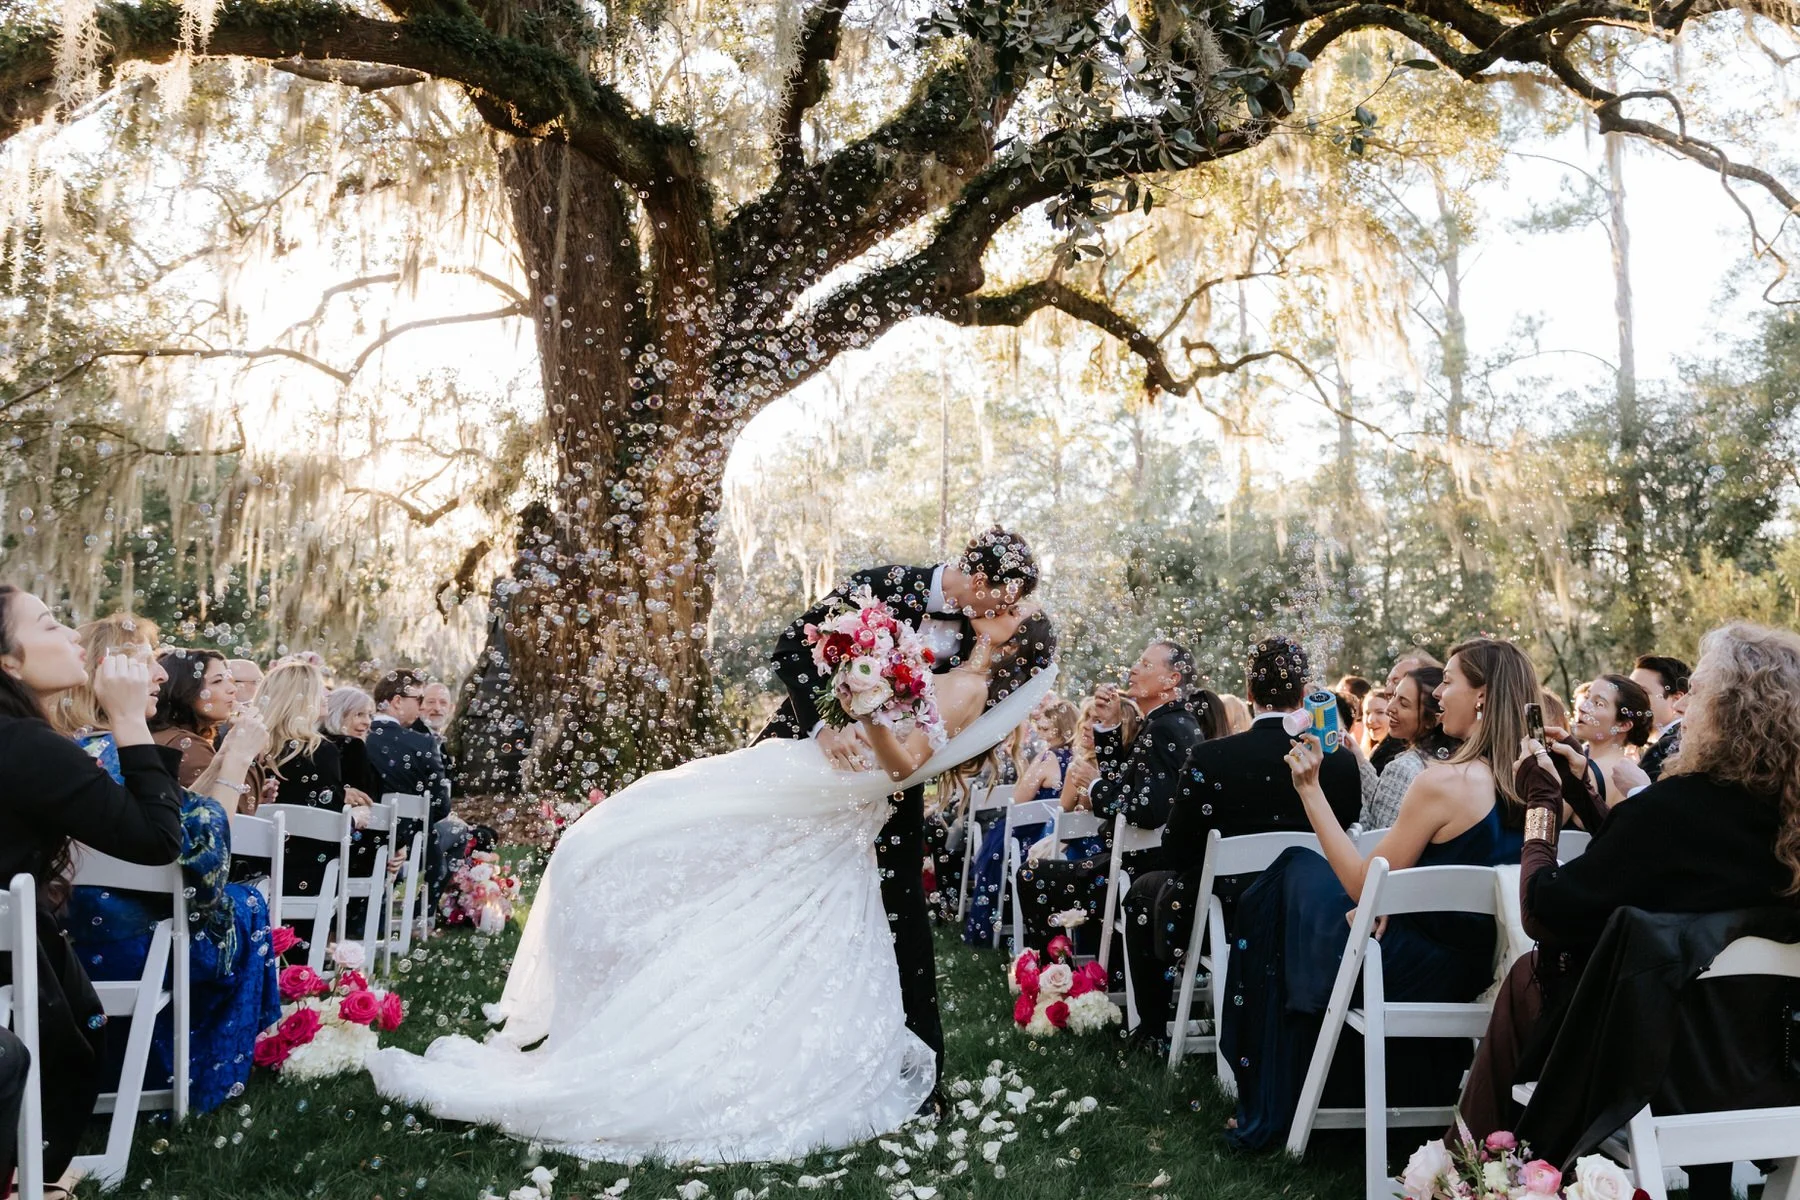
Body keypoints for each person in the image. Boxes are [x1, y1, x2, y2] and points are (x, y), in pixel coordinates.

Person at [366, 607, 1061, 1162]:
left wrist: (873, 706)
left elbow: (907, 764)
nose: (993, 609)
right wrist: (853, 695)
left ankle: (712, 1045)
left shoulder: (968, 686)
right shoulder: (951, 666)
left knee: (681, 843)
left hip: (830, 796)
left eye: (1007, 614)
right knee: (703, 861)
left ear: (1010, 640)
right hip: (820, 782)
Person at [1459, 624, 1800, 1198]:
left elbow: (1545, 913)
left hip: (1650, 1068)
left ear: (1723, 712)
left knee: (1529, 974)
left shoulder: (1676, 809)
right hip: (1769, 1068)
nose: (1686, 708)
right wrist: (1591, 803)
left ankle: (1476, 1170)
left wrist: (1542, 807)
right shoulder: (1786, 824)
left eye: (1699, 695)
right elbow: (1649, 875)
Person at [1219, 637, 1534, 1152]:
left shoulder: (1445, 783)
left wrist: (1310, 790)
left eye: (1449, 682)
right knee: (1307, 889)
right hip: (1479, 964)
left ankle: (1277, 1094)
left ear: (1481, 696)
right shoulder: (1537, 780)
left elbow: (1364, 887)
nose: (1439, 696)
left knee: (1290, 875)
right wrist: (1395, 906)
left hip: (1412, 968)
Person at [754, 527, 1040, 1089]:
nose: (1009, 612)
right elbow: (791, 648)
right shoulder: (881, 587)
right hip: (811, 764)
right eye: (1005, 600)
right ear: (979, 582)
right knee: (786, 891)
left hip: (891, 783)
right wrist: (821, 728)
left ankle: (922, 1069)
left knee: (904, 905)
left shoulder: (973, 635)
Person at [57, 614, 280, 1114]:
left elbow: (175, 822)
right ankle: (204, 1073)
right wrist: (239, 758)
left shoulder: (73, 749)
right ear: (108, 674)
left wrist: (221, 763)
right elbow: (204, 860)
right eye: (147, 664)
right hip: (131, 946)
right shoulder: (121, 752)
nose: (160, 675)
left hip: (71, 942)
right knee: (245, 905)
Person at [0, 586, 182, 1184]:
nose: (74, 635)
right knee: (76, 1038)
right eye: (51, 626)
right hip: (12, 970)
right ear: (8, 661)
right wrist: (130, 720)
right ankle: (29, 1176)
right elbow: (157, 841)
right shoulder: (25, 746)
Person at [1122, 636, 1362, 1047]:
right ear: (1304, 694)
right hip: (1312, 913)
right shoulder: (1338, 762)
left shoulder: (1213, 757)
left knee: (1143, 892)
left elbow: (1177, 850)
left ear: (1250, 692)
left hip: (1227, 912)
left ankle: (1153, 1030)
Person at [1015, 640, 1203, 959]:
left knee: (1032, 875)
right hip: (1140, 863)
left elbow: (1147, 810)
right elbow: (1129, 786)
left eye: (1146, 664)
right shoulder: (1169, 723)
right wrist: (1110, 726)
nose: (1133, 669)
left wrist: (1094, 785)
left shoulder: (1165, 729)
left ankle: (1054, 981)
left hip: (1137, 872)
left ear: (1172, 680)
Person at [260, 660, 363, 955]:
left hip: (257, 874)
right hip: (308, 875)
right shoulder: (319, 750)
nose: (328, 697)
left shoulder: (255, 745)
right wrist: (353, 818)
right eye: (320, 691)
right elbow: (328, 822)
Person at [961, 695, 1077, 946]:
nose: (1042, 733)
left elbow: (1018, 800)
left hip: (1032, 838)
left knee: (995, 843)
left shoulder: (1048, 758)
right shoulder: (1080, 760)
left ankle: (990, 927)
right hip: (1062, 839)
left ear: (1058, 728)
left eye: (1046, 728)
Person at [366, 668, 455, 900]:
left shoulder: (356, 739)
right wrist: (402, 838)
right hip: (406, 843)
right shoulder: (422, 744)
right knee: (453, 833)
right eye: (419, 699)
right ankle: (423, 912)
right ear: (397, 701)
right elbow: (441, 807)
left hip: (356, 842)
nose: (421, 706)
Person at [1359, 666, 1456, 830]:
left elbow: (1376, 838)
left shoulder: (1404, 768)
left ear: (1431, 720)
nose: (1390, 708)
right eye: (1394, 696)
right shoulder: (1452, 759)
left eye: (1403, 704)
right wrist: (1359, 761)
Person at [150, 648, 241, 790]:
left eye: (229, 679)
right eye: (217, 681)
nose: (232, 689)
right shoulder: (188, 746)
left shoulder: (163, 735)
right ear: (185, 689)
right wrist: (246, 747)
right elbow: (226, 808)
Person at [1571, 673, 1653, 805]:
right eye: (1587, 697)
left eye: (1599, 704)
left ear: (1623, 725)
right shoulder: (1632, 775)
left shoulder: (1585, 774)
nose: (1582, 707)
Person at [1371, 648, 1443, 772]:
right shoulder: (1398, 738)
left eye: (1397, 681)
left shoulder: (1406, 766)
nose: (1387, 691)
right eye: (1387, 682)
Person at [1629, 653, 1689, 781]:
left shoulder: (1675, 747)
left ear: (1676, 699)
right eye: (1629, 692)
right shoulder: (1648, 747)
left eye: (1642, 692)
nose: (1630, 701)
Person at [1360, 688, 1391, 758]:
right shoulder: (1373, 750)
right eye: (1367, 713)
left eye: (1380, 712)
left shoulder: (1400, 755)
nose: (1370, 720)